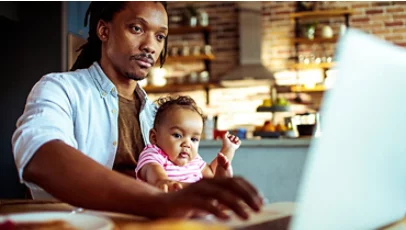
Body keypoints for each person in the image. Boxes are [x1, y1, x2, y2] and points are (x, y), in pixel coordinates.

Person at [11, 1, 263, 220]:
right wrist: (159, 202)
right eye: (137, 28)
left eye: (160, 36)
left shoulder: (156, 115)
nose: (150, 46)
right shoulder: (60, 88)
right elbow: (40, 155)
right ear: (104, 30)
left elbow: (180, 174)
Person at [135, 95, 240, 192]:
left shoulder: (194, 160)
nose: (187, 144)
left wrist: (228, 150)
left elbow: (211, 173)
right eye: (177, 135)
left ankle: (221, 185)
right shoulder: (154, 154)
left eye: (194, 139)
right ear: (154, 137)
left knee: (216, 187)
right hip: (166, 203)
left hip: (195, 203)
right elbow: (151, 168)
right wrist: (161, 181)